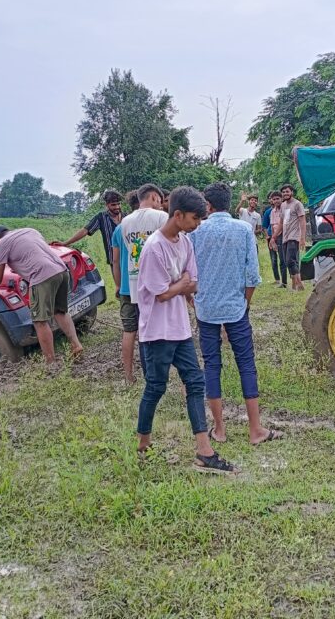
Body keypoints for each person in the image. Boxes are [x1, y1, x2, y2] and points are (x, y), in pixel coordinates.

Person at [136, 187, 235, 473]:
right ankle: (143, 442)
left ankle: (204, 450)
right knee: (156, 386)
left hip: (180, 329)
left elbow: (193, 282)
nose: (197, 224)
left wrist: (179, 286)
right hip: (157, 331)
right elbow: (162, 293)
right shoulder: (154, 247)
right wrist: (180, 285)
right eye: (195, 218)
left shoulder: (185, 243)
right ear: (177, 215)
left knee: (195, 382)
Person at [191, 183, 279, 445]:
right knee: (246, 364)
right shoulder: (243, 229)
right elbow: (252, 275)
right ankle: (255, 430)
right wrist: (245, 304)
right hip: (236, 308)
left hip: (206, 309)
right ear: (229, 203)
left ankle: (219, 429)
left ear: (207, 205)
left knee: (211, 366)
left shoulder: (195, 232)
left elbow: (188, 273)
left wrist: (196, 303)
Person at [0, 226, 83, 364]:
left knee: (39, 321)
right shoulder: (29, 231)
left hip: (42, 276)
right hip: (61, 270)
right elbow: (33, 253)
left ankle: (50, 362)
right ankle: (76, 345)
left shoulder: (1, 243)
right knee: (60, 312)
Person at [113, 184, 168, 383]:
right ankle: (156, 374)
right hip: (151, 285)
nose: (161, 205)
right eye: (160, 201)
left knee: (130, 331)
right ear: (153, 197)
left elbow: (116, 261)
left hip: (128, 286)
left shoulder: (122, 226)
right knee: (154, 330)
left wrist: (118, 285)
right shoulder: (161, 218)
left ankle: (129, 376)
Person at [55, 190, 122, 266]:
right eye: (113, 205)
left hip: (129, 258)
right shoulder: (101, 218)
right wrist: (65, 243)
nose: (117, 207)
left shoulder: (127, 217)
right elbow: (84, 231)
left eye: (119, 204)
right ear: (106, 205)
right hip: (114, 260)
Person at [273, 184, 306, 290]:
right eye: (283, 192)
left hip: (294, 236)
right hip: (285, 237)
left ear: (292, 192)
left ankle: (299, 284)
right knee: (290, 262)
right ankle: (294, 285)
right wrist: (274, 237)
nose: (285, 194)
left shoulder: (297, 204)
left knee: (290, 260)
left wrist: (302, 238)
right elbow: (281, 222)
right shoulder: (283, 205)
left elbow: (302, 221)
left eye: (287, 191)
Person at [265, 191, 286, 287]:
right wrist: (273, 239)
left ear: (282, 199)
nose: (276, 201)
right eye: (274, 199)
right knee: (277, 260)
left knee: (284, 260)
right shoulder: (272, 212)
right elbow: (273, 226)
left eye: (278, 198)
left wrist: (275, 236)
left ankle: (287, 281)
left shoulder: (285, 209)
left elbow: (283, 225)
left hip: (284, 235)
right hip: (275, 236)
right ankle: (281, 282)